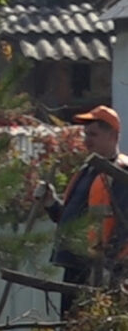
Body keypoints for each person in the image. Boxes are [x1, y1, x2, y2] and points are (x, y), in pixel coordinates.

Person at [33, 105, 128, 312]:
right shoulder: (87, 171)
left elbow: (124, 226)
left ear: (113, 135)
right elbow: (69, 221)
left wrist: (107, 267)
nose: (86, 139)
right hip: (76, 265)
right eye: (85, 134)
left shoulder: (121, 173)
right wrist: (51, 202)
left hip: (99, 269)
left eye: (93, 134)